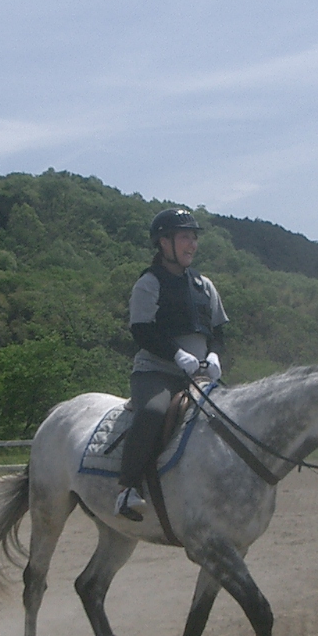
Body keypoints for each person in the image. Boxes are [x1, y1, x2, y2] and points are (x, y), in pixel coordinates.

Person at [115, 208, 229, 520]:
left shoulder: (204, 285)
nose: (192, 244)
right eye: (185, 237)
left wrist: (214, 355)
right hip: (158, 372)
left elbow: (218, 332)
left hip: (200, 375)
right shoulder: (149, 283)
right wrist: (177, 354)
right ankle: (127, 489)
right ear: (164, 242)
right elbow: (142, 331)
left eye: (194, 238)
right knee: (153, 412)